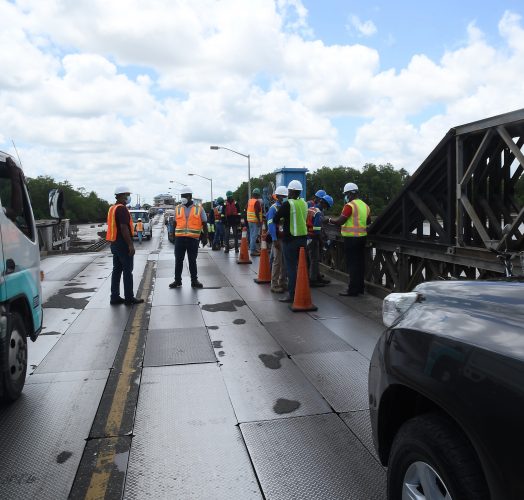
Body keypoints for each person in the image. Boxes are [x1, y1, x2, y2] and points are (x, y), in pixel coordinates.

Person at [328, 182, 371, 296]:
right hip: (362, 238)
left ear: (351, 194)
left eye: (346, 194)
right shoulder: (365, 206)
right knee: (360, 264)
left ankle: (352, 290)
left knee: (352, 264)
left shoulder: (349, 206)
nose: (345, 196)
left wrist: (329, 220)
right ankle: (360, 288)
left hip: (351, 239)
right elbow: (368, 222)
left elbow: (340, 221)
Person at [106, 186, 144, 306]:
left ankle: (115, 297)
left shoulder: (112, 208)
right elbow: (123, 227)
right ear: (120, 195)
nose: (128, 197)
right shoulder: (122, 209)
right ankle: (129, 298)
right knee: (128, 271)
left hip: (114, 243)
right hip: (122, 244)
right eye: (127, 194)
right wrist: (130, 245)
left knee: (116, 270)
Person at [273, 180, 308, 303]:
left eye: (289, 190)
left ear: (292, 191)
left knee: (291, 268)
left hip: (290, 240)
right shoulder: (304, 203)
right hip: (303, 239)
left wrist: (283, 221)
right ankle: (303, 291)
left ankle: (292, 295)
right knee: (302, 267)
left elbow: (275, 218)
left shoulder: (288, 204)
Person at [169, 187, 208, 289]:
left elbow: (204, 223)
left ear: (190, 196)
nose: (183, 198)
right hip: (180, 239)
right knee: (178, 260)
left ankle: (194, 281)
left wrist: (205, 237)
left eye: (184, 196)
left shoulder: (199, 208)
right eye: (182, 196)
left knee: (192, 260)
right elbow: (174, 223)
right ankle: (177, 281)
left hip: (193, 239)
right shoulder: (178, 208)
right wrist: (172, 235)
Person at [307, 194, 332, 287]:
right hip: (313, 238)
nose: (326, 208)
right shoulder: (318, 213)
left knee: (313, 259)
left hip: (308, 237)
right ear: (325, 204)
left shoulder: (311, 209)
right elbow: (317, 231)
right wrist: (323, 242)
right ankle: (313, 281)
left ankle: (317, 277)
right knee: (314, 260)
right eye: (327, 207)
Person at [267, 186, 288, 293]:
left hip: (284, 237)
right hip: (278, 238)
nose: (285, 198)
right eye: (283, 196)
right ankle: (274, 284)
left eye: (286, 196)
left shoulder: (284, 206)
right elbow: (270, 224)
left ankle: (282, 282)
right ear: (278, 196)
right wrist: (274, 239)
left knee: (283, 261)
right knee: (277, 261)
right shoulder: (273, 208)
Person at [246, 187, 263, 256]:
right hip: (255, 221)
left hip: (250, 220)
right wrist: (259, 221)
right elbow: (256, 211)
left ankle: (253, 248)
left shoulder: (250, 201)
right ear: (257, 195)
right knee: (254, 236)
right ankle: (252, 251)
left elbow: (246, 208)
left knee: (251, 235)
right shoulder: (256, 202)